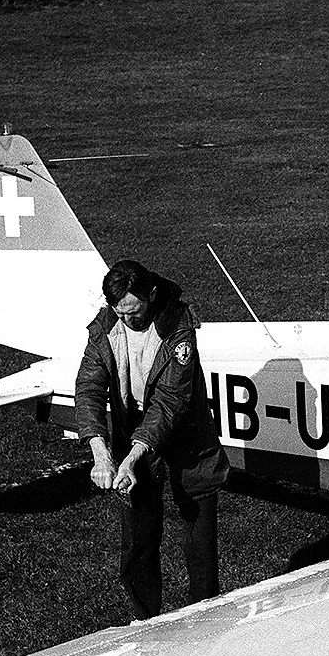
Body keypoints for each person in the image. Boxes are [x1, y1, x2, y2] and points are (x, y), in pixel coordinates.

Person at [76, 259, 230, 620]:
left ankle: (206, 618)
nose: (129, 320)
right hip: (135, 438)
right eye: (120, 313)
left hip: (188, 442)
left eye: (135, 311)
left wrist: (129, 459)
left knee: (199, 541)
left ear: (153, 295)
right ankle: (145, 620)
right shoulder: (105, 328)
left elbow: (169, 403)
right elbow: (89, 388)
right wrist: (101, 453)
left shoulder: (178, 328)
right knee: (138, 540)